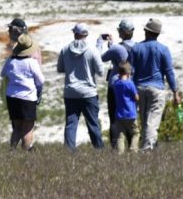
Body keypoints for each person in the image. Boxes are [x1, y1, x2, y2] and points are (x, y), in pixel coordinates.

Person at [128, 18, 180, 150]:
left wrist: (130, 90)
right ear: (157, 33)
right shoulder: (163, 49)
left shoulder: (136, 48)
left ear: (146, 31)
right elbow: (169, 72)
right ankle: (147, 149)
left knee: (145, 120)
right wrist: (175, 92)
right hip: (156, 88)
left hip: (139, 88)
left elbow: (130, 71)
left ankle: (149, 146)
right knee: (153, 120)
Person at [56, 23, 104, 151]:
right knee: (93, 123)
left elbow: (60, 68)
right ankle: (99, 150)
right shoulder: (92, 49)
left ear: (75, 34)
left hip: (70, 92)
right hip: (88, 92)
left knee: (71, 124)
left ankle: (69, 151)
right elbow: (101, 71)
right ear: (86, 34)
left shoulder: (65, 49)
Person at [0, 34, 44, 151]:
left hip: (12, 97)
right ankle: (24, 155)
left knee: (17, 128)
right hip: (27, 97)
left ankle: (12, 151)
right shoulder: (31, 62)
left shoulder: (11, 61)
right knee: (28, 128)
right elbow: (41, 80)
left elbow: (3, 74)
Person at [100, 19, 135, 149]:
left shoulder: (117, 48)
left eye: (119, 30)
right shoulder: (136, 47)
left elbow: (102, 57)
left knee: (114, 116)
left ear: (123, 32)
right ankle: (133, 145)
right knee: (130, 116)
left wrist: (100, 42)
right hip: (130, 84)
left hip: (115, 85)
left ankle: (115, 147)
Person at [110, 62, 139, 153]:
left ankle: (120, 153)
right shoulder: (130, 84)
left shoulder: (116, 84)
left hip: (119, 114)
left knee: (120, 136)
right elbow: (136, 97)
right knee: (136, 133)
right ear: (128, 73)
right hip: (130, 114)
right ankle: (133, 148)